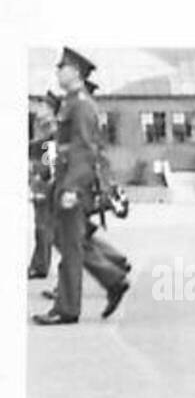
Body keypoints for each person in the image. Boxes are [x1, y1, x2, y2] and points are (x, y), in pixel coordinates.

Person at [33, 47, 130, 325]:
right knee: (66, 241)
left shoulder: (83, 105)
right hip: (62, 180)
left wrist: (73, 189)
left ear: (75, 72)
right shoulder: (70, 103)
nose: (57, 71)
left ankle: (67, 308)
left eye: (62, 67)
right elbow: (57, 147)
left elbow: (85, 151)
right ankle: (113, 279)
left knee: (70, 245)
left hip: (73, 184)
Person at [28, 91, 59, 280]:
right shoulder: (41, 128)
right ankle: (39, 264)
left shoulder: (50, 131)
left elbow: (49, 161)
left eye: (43, 106)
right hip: (40, 181)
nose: (39, 109)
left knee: (43, 226)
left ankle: (40, 266)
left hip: (44, 185)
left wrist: (42, 181)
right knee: (42, 226)